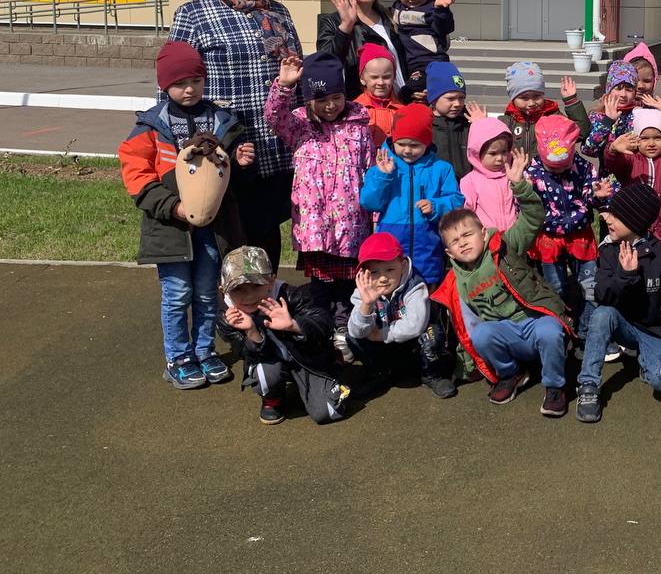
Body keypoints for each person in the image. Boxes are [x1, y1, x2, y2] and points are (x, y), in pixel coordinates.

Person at [119, 40, 252, 389]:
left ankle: (205, 351)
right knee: (177, 294)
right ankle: (178, 357)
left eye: (196, 80)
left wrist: (239, 161)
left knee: (207, 293)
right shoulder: (151, 127)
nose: (189, 89)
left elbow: (226, 171)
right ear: (165, 85)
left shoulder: (221, 120)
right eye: (180, 83)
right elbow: (137, 177)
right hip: (170, 229)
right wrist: (173, 207)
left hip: (213, 228)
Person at [168, 0, 301, 269]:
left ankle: (263, 295)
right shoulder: (194, 14)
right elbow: (172, 80)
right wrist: (179, 142)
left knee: (266, 234)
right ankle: (228, 300)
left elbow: (295, 74)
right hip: (222, 148)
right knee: (226, 236)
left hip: (273, 148)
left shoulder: (279, 14)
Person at [433, 156, 574, 416]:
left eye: (467, 235)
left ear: (483, 233)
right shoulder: (455, 280)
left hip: (533, 321)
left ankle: (555, 386)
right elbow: (465, 326)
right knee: (481, 335)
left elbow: (533, 218)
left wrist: (519, 186)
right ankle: (511, 373)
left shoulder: (505, 246)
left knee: (550, 332)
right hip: (505, 333)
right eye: (455, 241)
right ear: (449, 253)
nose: (462, 242)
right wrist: (466, 364)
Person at [265, 51, 374, 360]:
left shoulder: (359, 126)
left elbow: (370, 171)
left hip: (351, 224)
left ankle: (344, 332)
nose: (330, 106)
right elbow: (274, 116)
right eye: (322, 100)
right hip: (315, 225)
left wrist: (374, 217)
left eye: (336, 98)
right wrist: (285, 86)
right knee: (321, 286)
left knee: (347, 285)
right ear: (309, 99)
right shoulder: (300, 125)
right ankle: (319, 332)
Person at [575, 184, 661, 423]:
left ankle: (647, 357)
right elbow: (602, 295)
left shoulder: (660, 251)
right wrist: (625, 276)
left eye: (616, 216)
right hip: (625, 325)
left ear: (634, 222)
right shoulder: (609, 250)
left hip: (657, 331)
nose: (607, 219)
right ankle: (588, 385)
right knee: (602, 314)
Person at [218, 246, 350, 425]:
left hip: (308, 359)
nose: (248, 296)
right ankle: (273, 396)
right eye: (238, 289)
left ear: (271, 281)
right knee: (264, 374)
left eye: (256, 286)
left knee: (327, 412)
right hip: (271, 361)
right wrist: (252, 332)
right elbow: (246, 354)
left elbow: (324, 323)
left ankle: (330, 371)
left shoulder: (292, 295)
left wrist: (294, 325)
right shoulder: (227, 317)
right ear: (224, 290)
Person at [359, 103, 465, 292]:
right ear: (393, 140)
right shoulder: (382, 167)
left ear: (427, 143)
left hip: (428, 241)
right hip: (392, 239)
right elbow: (369, 202)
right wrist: (383, 176)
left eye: (415, 145)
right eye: (401, 144)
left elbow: (456, 201)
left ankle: (430, 310)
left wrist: (436, 206)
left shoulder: (441, 169)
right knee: (392, 287)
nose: (407, 150)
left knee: (427, 287)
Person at [526, 114, 615, 338]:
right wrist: (523, 190)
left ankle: (589, 331)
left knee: (589, 285)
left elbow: (588, 196)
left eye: (563, 166)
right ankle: (561, 329)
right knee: (555, 287)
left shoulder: (583, 167)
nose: (558, 171)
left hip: (580, 234)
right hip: (549, 237)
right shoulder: (532, 172)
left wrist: (597, 196)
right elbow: (526, 207)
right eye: (551, 167)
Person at [345, 232, 454, 399]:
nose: (383, 278)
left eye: (390, 270)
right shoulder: (363, 292)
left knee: (432, 334)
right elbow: (356, 331)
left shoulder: (414, 286)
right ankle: (379, 373)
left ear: (402, 266)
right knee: (352, 336)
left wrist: (382, 334)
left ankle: (432, 375)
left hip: (413, 347)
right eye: (374, 272)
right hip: (385, 350)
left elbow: (415, 325)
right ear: (364, 273)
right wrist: (366, 305)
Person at [317, 0, 411, 100]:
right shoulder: (331, 22)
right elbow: (326, 67)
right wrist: (346, 26)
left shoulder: (392, 18)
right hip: (361, 108)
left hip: (400, 104)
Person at [604, 108, 661, 243]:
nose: (651, 143)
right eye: (644, 138)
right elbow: (613, 164)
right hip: (632, 226)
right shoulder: (631, 160)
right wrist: (613, 150)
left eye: (658, 138)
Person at [390, 0, 456, 100]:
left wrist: (442, 10)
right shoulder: (395, 9)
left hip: (431, 62)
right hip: (409, 63)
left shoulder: (432, 7)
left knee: (410, 90)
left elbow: (445, 28)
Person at [500, 62, 590, 158]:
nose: (531, 103)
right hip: (515, 167)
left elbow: (580, 133)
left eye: (536, 96)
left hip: (545, 167)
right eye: (524, 98)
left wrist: (571, 102)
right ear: (513, 98)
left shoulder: (552, 117)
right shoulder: (507, 121)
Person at [424, 61, 481, 182]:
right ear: (433, 98)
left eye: (461, 98)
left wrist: (482, 126)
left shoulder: (469, 123)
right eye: (451, 98)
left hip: (467, 187)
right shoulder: (425, 125)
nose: (457, 104)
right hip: (436, 187)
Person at [461, 118, 519, 231]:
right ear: (477, 153)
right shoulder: (470, 181)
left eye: (504, 152)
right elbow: (467, 213)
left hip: (513, 235)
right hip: (487, 237)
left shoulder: (511, 175)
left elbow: (520, 205)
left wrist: (524, 186)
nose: (500, 158)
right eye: (493, 153)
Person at [582, 61, 640, 157]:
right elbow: (588, 150)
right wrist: (607, 121)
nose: (623, 94)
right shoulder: (598, 115)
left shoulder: (639, 112)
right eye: (618, 88)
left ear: (635, 93)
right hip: (608, 166)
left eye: (629, 89)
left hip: (635, 166)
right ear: (609, 90)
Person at [352, 43, 403, 149]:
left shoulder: (402, 110)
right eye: (374, 77)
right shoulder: (355, 110)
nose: (381, 82)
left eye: (386, 77)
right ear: (362, 78)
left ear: (394, 77)